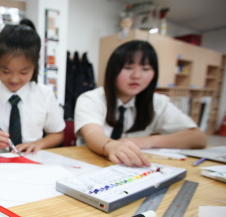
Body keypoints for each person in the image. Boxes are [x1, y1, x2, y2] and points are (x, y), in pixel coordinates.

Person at [75, 40, 207, 167]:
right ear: (112, 71)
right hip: (91, 163)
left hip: (132, 166)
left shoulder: (158, 102)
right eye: (128, 67)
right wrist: (111, 146)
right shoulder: (91, 99)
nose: (136, 75)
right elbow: (92, 134)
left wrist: (147, 141)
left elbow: (198, 138)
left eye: (145, 68)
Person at [0, 19, 65, 155]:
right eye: (6, 71)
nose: (14, 79)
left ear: (35, 63)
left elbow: (57, 134)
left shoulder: (45, 94)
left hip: (32, 164)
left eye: (24, 72)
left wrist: (37, 144)